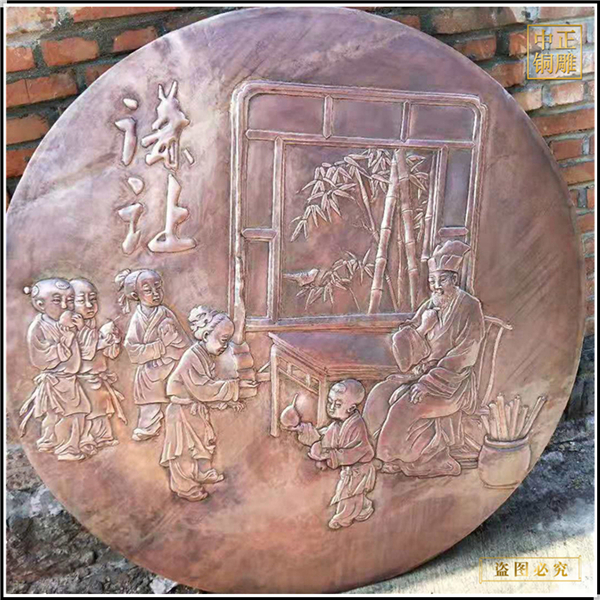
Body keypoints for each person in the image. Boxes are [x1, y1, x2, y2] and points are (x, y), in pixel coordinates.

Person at [362, 240, 485, 478]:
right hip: (421, 374)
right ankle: (374, 452)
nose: (436, 287)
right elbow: (404, 350)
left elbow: (466, 353)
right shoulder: (430, 305)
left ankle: (389, 458)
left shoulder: (470, 306)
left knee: (404, 406)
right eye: (432, 281)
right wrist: (422, 329)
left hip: (451, 382)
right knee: (380, 392)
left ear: (454, 280)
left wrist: (428, 383)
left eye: (442, 280)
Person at [160, 306, 257, 501]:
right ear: (205, 335)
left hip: (195, 409)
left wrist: (229, 401)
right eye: (223, 340)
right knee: (183, 450)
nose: (225, 346)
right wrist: (235, 388)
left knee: (203, 442)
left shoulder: (205, 356)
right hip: (181, 412)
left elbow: (208, 391)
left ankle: (202, 472)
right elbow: (203, 389)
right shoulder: (191, 357)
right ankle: (185, 487)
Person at [19, 278, 91, 461]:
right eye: (58, 300)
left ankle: (51, 440)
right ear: (40, 304)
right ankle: (67, 447)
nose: (66, 306)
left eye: (70, 300)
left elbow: (84, 353)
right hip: (55, 380)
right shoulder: (38, 328)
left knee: (63, 413)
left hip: (69, 379)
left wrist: (81, 331)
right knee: (72, 413)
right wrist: (66, 339)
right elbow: (40, 358)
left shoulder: (67, 323)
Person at [290, 379, 377, 530]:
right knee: (352, 494)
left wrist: (327, 453)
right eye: (330, 402)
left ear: (351, 408)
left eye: (337, 405)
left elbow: (356, 452)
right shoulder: (337, 424)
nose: (330, 407)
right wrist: (308, 432)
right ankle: (363, 509)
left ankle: (343, 519)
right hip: (350, 470)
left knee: (348, 496)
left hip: (359, 469)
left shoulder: (357, 426)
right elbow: (326, 437)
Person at [116, 269, 188, 441]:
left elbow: (184, 342)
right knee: (147, 389)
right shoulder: (138, 318)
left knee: (178, 392)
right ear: (136, 295)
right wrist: (160, 346)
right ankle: (149, 426)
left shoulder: (165, 313)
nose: (155, 293)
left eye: (158, 287)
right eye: (148, 290)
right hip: (150, 367)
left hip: (171, 363)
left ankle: (179, 425)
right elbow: (132, 348)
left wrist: (174, 343)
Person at [71, 278, 126, 453]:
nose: (89, 305)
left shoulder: (93, 326)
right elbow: (84, 352)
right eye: (82, 300)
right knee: (89, 410)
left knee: (101, 409)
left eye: (93, 299)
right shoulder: (71, 328)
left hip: (97, 377)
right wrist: (99, 340)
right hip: (82, 380)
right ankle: (86, 439)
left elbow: (110, 354)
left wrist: (113, 340)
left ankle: (102, 436)